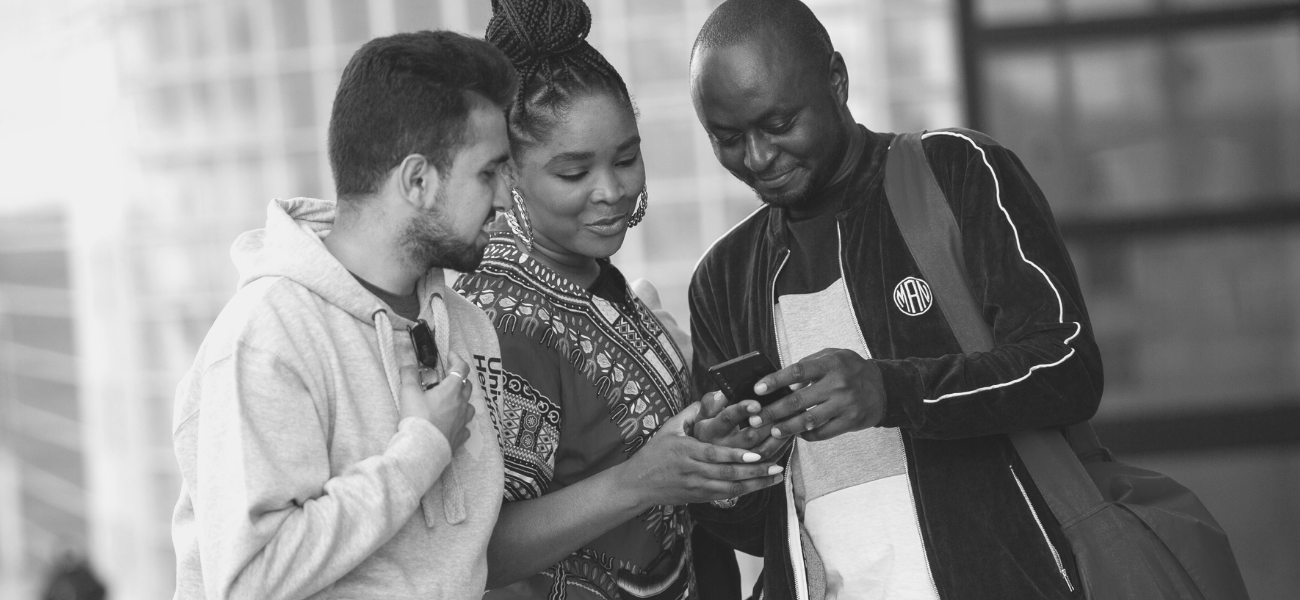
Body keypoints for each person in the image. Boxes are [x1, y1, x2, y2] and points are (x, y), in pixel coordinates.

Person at [685, 1, 1103, 599]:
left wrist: (891, 390)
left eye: (778, 125)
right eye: (727, 138)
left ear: (837, 80)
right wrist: (729, 471)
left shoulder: (958, 172)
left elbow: (1070, 369)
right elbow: (759, 533)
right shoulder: (724, 278)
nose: (756, 158)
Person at [453, 1, 784, 598]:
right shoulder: (498, 320)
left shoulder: (591, 277)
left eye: (626, 159)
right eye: (574, 174)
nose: (611, 191)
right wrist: (641, 481)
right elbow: (483, 551)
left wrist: (709, 445)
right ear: (511, 174)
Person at [170, 31, 517, 599]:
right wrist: (419, 452)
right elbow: (248, 582)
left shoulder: (469, 329)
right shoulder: (267, 336)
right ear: (417, 180)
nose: (507, 197)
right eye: (489, 173)